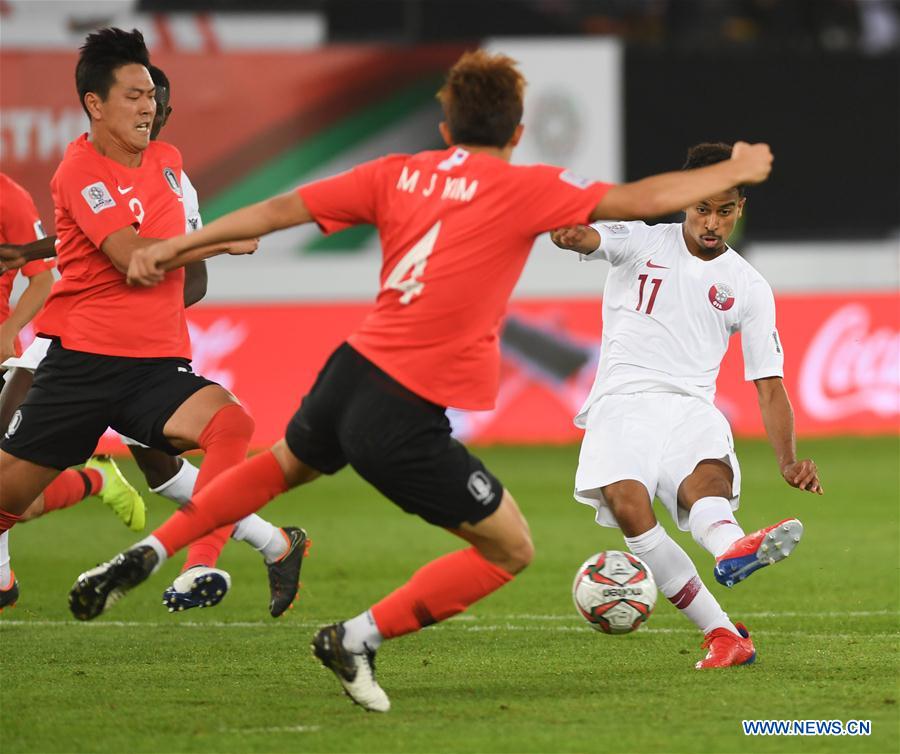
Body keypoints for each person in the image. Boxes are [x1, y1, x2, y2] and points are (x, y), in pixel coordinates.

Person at [68, 51, 773, 712]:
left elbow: (282, 210)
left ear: (444, 128)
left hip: (349, 368)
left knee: (279, 467)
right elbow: (639, 197)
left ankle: (148, 551)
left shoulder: (397, 171)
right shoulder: (525, 188)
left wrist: (174, 246)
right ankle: (355, 638)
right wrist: (733, 169)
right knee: (510, 549)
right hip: (403, 406)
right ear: (520, 130)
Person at [0, 28, 308, 618]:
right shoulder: (78, 171)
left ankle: (200, 566)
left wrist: (204, 243)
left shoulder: (168, 164)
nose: (150, 107)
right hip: (82, 365)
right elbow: (130, 256)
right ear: (95, 103)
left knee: (232, 424)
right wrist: (215, 241)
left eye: (152, 96)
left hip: (153, 366)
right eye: (135, 96)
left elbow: (163, 254)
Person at [550, 142, 823, 669]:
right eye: (702, 208)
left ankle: (731, 550)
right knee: (630, 504)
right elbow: (588, 235)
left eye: (725, 210)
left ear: (740, 208)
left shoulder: (748, 285)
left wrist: (788, 460)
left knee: (708, 486)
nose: (712, 222)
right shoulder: (639, 240)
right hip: (623, 401)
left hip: (692, 406)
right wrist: (568, 233)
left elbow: (769, 383)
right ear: (684, 201)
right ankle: (725, 632)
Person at [0, 173, 144, 611]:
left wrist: (8, 331)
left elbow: (42, 280)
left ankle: (94, 480)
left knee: (11, 492)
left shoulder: (10, 197)